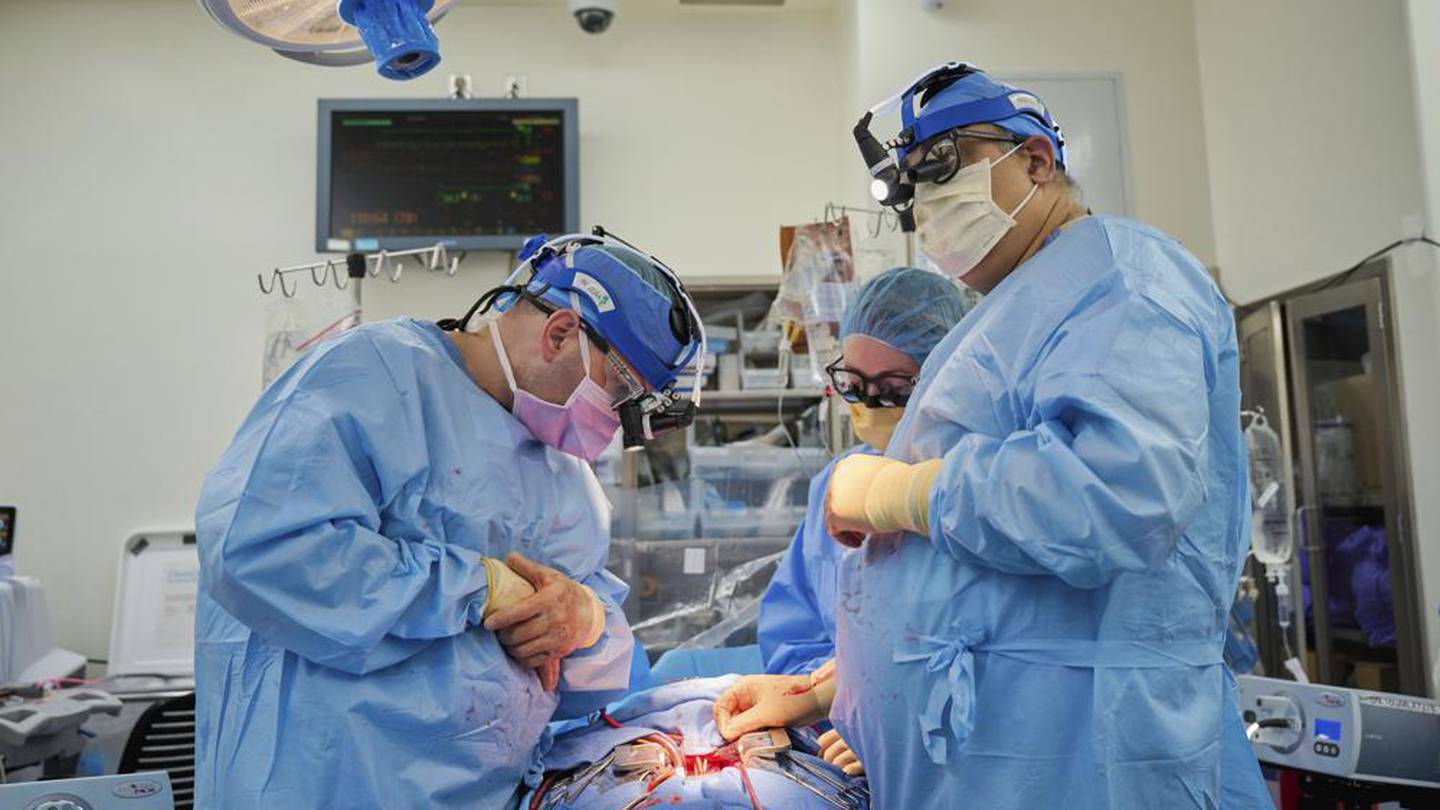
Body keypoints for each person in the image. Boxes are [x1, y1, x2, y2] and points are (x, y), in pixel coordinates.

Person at [716, 65, 1272, 809]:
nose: (926, 205)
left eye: (942, 168)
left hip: (1079, 756)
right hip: (1006, 756)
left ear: (1036, 161)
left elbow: (1116, 496)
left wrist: (902, 493)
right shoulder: (1016, 309)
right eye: (911, 188)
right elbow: (991, 598)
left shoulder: (1125, 281)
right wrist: (825, 690)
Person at [194, 231, 702, 808]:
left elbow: (589, 665)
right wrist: (477, 588)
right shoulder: (370, 380)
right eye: (621, 390)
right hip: (332, 785)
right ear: (560, 334)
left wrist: (583, 620)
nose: (618, 420)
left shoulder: (565, 470)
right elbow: (262, 550)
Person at [755, 266, 968, 777]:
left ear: (945, 377)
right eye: (852, 384)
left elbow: (1001, 654)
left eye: (894, 388)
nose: (870, 405)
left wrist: (894, 722)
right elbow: (796, 634)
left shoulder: (976, 492)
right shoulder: (838, 486)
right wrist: (832, 706)